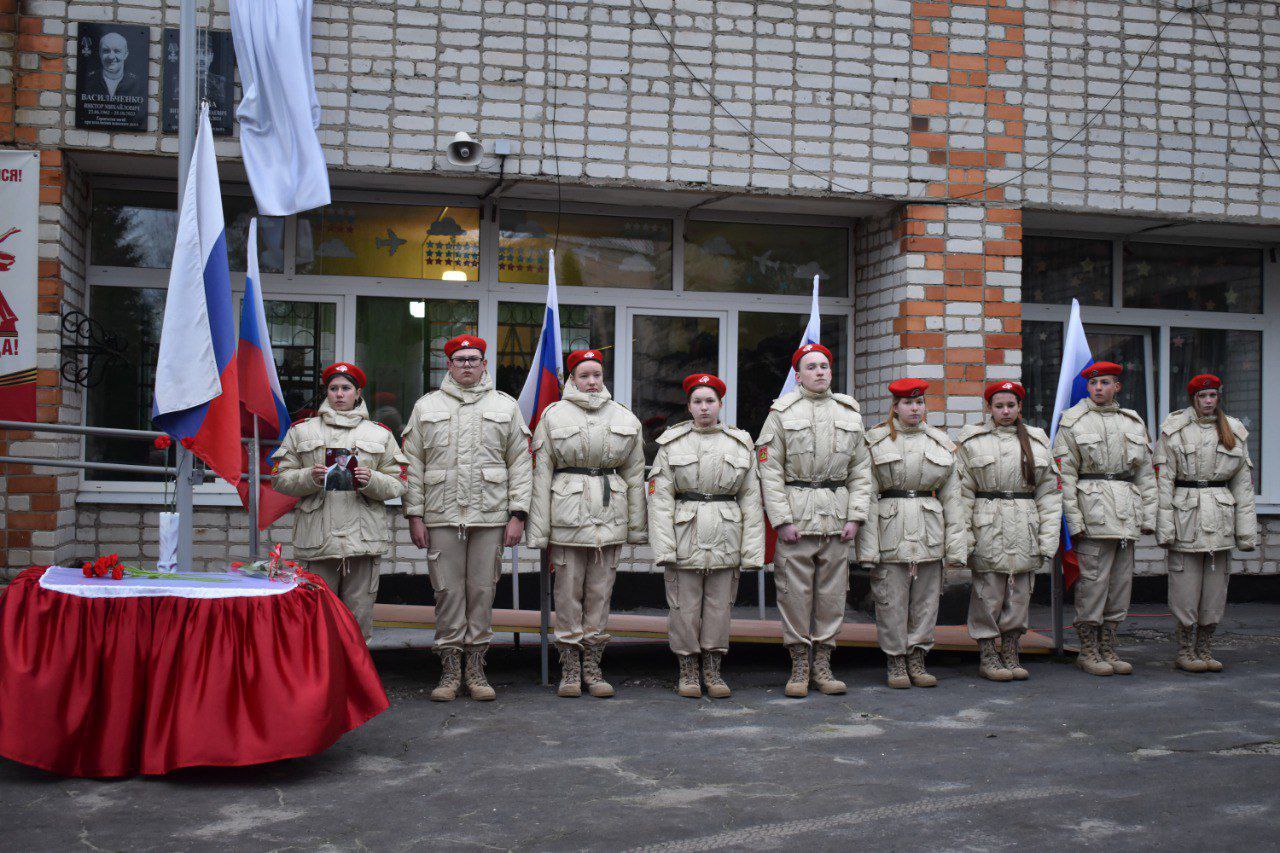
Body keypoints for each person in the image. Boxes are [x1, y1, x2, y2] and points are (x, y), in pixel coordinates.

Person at [402, 335, 532, 702]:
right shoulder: (426, 406)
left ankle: (475, 669)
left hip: (490, 517)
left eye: (474, 359)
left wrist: (518, 514)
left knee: (482, 591)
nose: (467, 365)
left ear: (484, 364)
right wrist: (414, 515)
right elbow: (412, 465)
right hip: (441, 516)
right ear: (449, 364)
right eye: (460, 360)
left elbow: (520, 465)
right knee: (446, 592)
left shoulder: (505, 406)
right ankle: (449, 669)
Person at [527, 349, 647, 698]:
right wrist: (540, 530)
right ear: (572, 379)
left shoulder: (624, 417)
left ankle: (593, 665)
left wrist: (637, 528)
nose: (592, 381)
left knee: (600, 594)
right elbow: (540, 474)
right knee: (567, 596)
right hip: (567, 518)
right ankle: (569, 667)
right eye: (584, 375)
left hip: (609, 519)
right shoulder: (553, 415)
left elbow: (636, 475)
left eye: (597, 374)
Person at [756, 343, 872, 698]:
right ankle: (799, 665)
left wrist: (856, 516)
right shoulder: (781, 412)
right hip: (796, 515)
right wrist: (781, 520)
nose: (820, 372)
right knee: (794, 596)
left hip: (836, 518)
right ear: (798, 374)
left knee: (832, 596)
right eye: (812, 367)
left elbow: (862, 470)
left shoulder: (850, 412)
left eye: (825, 366)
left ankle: (823, 663)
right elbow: (769, 470)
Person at [272, 362, 407, 642]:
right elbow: (279, 479)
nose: (339, 394)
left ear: (358, 393)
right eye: (333, 388)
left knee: (357, 622)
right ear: (327, 392)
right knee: (315, 619)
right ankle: (317, 681)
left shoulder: (379, 433)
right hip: (317, 540)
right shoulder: (302, 431)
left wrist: (371, 480)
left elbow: (399, 483)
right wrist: (310, 476)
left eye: (346, 388)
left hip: (362, 540)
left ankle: (355, 682)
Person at [648, 373, 765, 699]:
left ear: (720, 405)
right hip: (685, 535)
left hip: (727, 535)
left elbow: (752, 500)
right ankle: (687, 669)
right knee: (684, 608)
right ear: (689, 406)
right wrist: (664, 548)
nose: (703, 407)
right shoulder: (671, 445)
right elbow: (660, 502)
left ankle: (713, 670)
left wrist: (753, 551)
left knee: (719, 608)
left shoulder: (740, 444)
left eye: (709, 401)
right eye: (697, 401)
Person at [858, 378, 967, 688]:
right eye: (907, 403)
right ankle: (895, 660)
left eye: (919, 403)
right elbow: (866, 497)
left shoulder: (940, 443)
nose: (914, 408)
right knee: (891, 601)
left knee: (926, 601)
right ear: (895, 407)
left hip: (930, 533)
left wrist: (957, 549)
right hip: (889, 530)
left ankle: (917, 657)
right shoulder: (875, 442)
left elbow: (954, 500)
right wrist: (868, 549)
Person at [1052, 361, 1157, 677]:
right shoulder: (1073, 422)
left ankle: (1109, 646)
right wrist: (1074, 520)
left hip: (1126, 513)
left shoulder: (1132, 422)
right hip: (1092, 512)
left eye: (1106, 383)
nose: (1098, 388)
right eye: (1094, 383)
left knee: (1120, 585)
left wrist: (1149, 516)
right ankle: (1088, 649)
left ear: (1117, 387)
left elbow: (1145, 474)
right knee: (1093, 585)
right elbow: (1064, 475)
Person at [955, 381, 1062, 681]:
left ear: (1019, 408)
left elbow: (1049, 494)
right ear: (988, 408)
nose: (1005, 411)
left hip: (1025, 524)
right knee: (988, 593)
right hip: (988, 524)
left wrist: (1047, 539)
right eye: (999, 406)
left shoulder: (1036, 442)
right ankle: (989, 653)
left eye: (1011, 406)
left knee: (1019, 594)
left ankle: (1012, 648)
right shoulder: (973, 441)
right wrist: (965, 537)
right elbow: (961, 494)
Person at [1154, 374, 1257, 673]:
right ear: (1193, 399)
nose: (1208, 401)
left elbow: (1243, 486)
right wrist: (1165, 528)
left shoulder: (1234, 431)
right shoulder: (1175, 430)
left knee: (1215, 590)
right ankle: (1186, 649)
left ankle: (1205, 647)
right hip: (1186, 518)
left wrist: (1246, 532)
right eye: (1202, 397)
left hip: (1221, 520)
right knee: (1185, 588)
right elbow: (1164, 483)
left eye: (1213, 395)